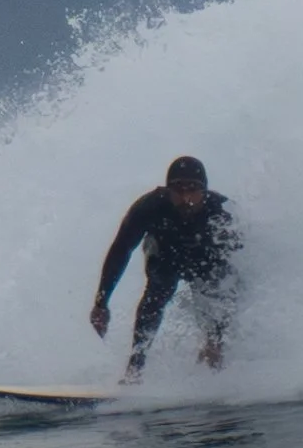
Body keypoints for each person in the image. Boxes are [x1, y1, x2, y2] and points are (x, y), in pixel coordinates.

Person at [91, 155, 239, 380]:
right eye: (178, 190)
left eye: (193, 189)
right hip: (166, 255)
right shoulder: (149, 207)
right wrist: (101, 304)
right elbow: (120, 250)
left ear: (205, 191)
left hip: (207, 260)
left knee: (217, 286)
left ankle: (213, 354)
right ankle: (134, 371)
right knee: (156, 293)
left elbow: (235, 271)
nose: (186, 197)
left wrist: (216, 335)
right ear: (167, 190)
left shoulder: (222, 211)